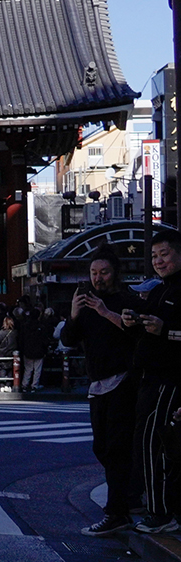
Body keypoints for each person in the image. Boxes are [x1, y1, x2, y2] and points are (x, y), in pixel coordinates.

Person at [62, 249, 142, 536]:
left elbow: (136, 333)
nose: (98, 278)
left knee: (117, 448)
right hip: (97, 383)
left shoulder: (126, 300)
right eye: (94, 273)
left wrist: (105, 311)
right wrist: (74, 313)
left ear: (115, 273)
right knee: (102, 447)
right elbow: (68, 340)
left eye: (104, 272)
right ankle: (129, 497)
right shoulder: (85, 306)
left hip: (124, 380)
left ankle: (117, 511)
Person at [123, 229, 181, 534]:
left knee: (151, 442)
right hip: (150, 377)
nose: (158, 261)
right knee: (150, 444)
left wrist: (166, 330)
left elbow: (167, 331)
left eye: (164, 254)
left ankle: (160, 513)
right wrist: (131, 321)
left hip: (169, 379)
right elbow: (148, 329)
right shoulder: (160, 290)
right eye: (154, 255)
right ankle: (160, 509)